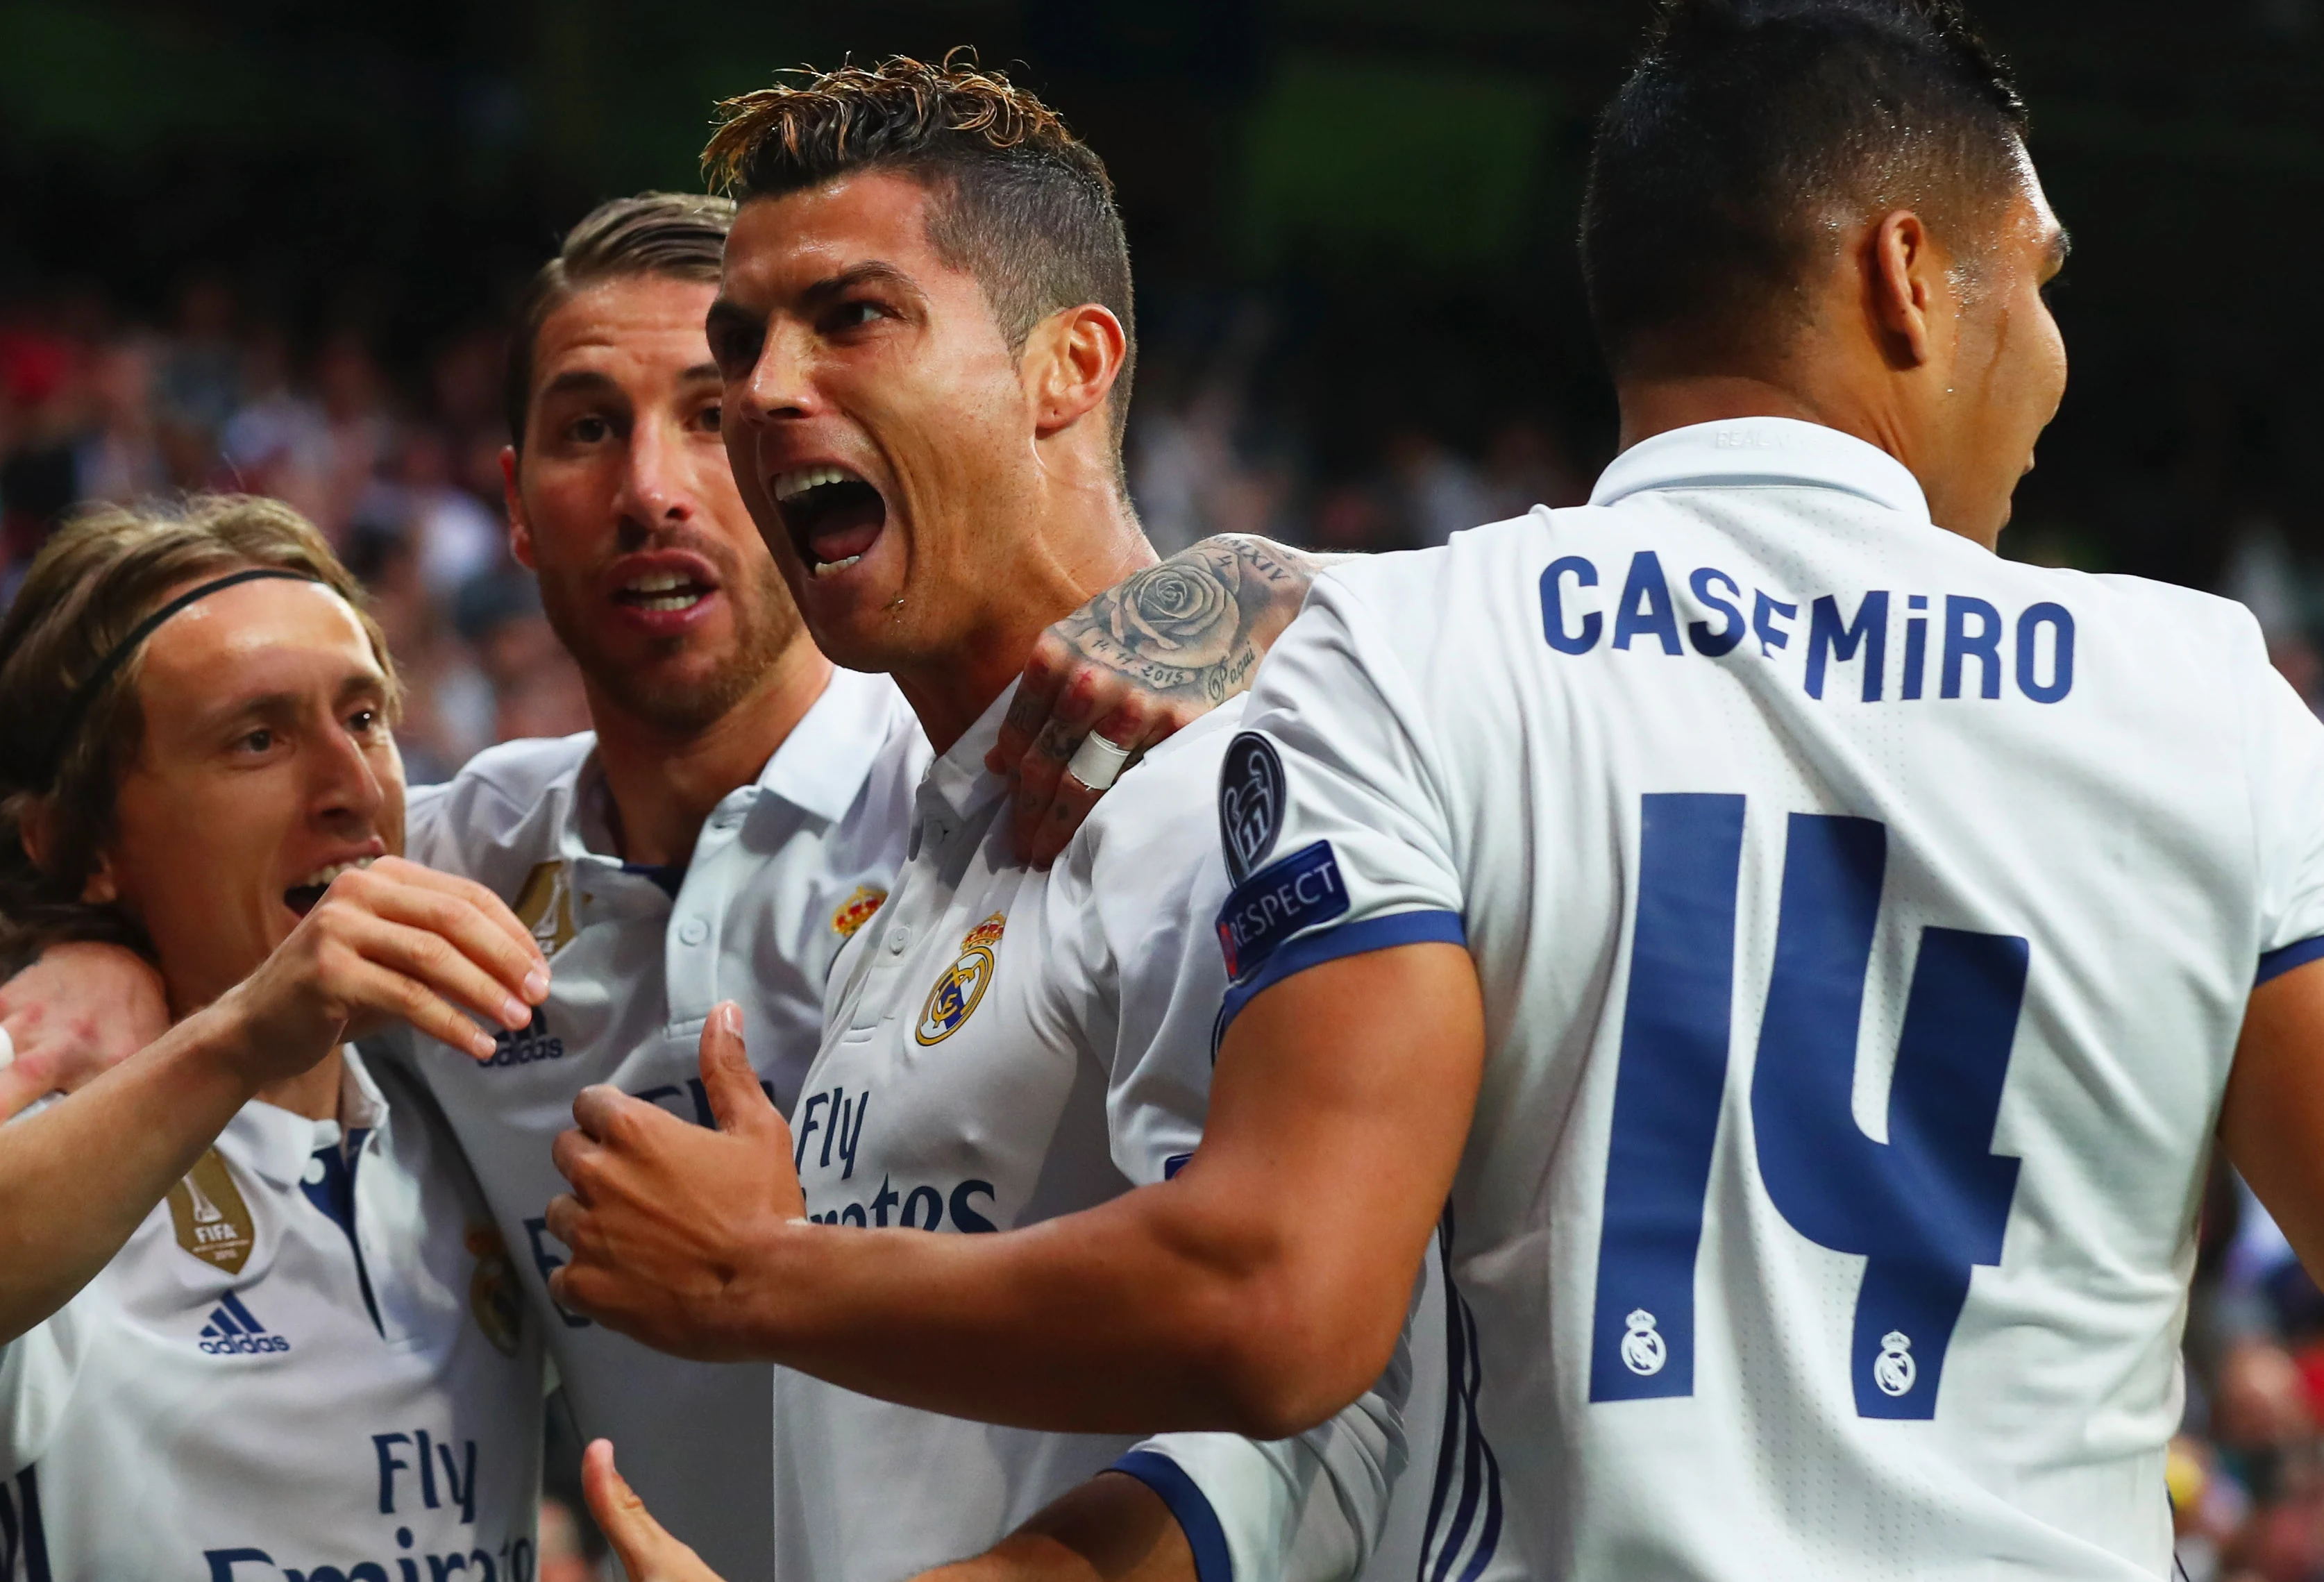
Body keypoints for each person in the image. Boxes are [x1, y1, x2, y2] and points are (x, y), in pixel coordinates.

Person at [548, 3, 2324, 1579]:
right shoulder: (2205, 697)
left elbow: (1293, 1321)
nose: (2053, 357)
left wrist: (751, 1276)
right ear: (1906, 275)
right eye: (2043, 283)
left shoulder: (1393, 660)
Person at [0, 193, 1324, 1582]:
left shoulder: (1028, 780)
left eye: (708, 418)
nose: (649, 489)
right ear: (514, 504)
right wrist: (68, 956)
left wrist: (1246, 593)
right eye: (586, 429)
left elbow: (1305, 1346)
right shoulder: (466, 862)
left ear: (791, 459)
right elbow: (200, 879)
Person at [541, 58, 1431, 1582]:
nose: (758, 391)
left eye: (854, 315)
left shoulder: (1222, 780)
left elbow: (1314, 1400)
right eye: (744, 340)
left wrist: (760, 1272)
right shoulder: (936, 819)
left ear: (1066, 367)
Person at [0, 497, 557, 1578]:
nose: (354, 790)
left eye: (365, 718)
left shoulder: (468, 1103)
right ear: (81, 845)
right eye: (257, 738)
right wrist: (237, 1036)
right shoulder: (17, 1101)